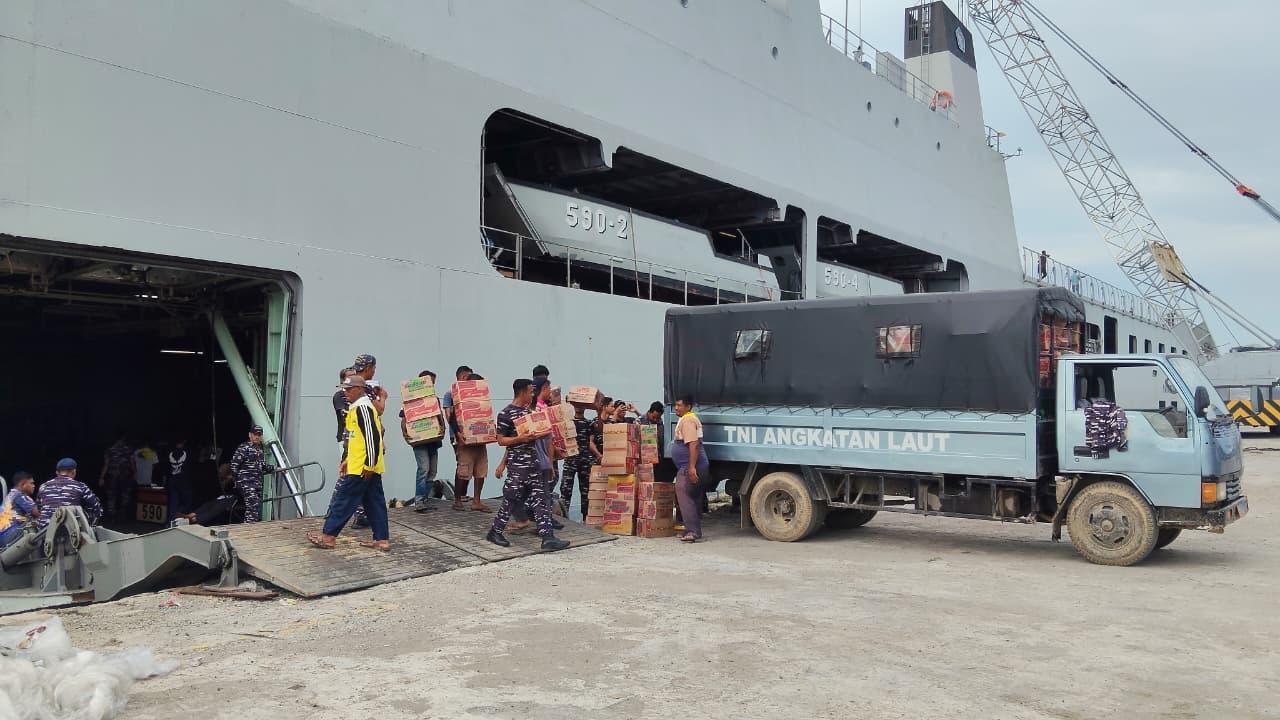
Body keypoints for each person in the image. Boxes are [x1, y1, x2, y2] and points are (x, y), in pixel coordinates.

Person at [308, 375, 391, 550]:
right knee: (374, 502)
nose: (345, 393)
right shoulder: (359, 407)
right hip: (364, 465)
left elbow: (372, 438)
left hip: (362, 467)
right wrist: (347, 459)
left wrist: (368, 464)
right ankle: (382, 540)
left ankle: (328, 537)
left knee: (343, 500)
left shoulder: (363, 408)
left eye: (348, 389)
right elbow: (356, 439)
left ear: (359, 389)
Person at [485, 379, 568, 551]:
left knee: (541, 500)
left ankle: (548, 538)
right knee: (511, 499)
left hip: (534, 464)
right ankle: (495, 532)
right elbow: (501, 440)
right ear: (522, 392)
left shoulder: (529, 412)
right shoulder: (505, 414)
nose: (532, 395)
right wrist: (520, 439)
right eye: (530, 392)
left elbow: (543, 436)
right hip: (518, 466)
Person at [401, 369, 445, 508]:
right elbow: (404, 419)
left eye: (433, 383)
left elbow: (439, 417)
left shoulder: (434, 399)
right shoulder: (411, 400)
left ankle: (425, 498)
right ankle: (419, 500)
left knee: (432, 471)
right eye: (430, 383)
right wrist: (407, 435)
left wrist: (442, 429)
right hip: (419, 442)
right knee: (423, 469)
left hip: (433, 441)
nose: (432, 386)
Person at [449, 369, 492, 512]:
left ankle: (477, 501)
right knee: (463, 470)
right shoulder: (460, 398)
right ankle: (457, 500)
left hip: (480, 442)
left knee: (481, 471)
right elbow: (452, 418)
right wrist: (457, 433)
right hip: (465, 442)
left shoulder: (483, 400)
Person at [671, 395, 710, 542]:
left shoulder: (687, 420)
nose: (676, 408)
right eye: (675, 405)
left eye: (679, 405)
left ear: (688, 407)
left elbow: (693, 444)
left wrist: (691, 468)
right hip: (692, 465)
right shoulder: (688, 418)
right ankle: (693, 530)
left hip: (689, 466)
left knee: (684, 496)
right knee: (693, 497)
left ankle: (692, 531)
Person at [37, 458, 104, 528]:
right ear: (74, 472)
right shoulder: (80, 486)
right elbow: (96, 509)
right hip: (70, 530)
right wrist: (88, 524)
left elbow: (39, 508)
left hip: (44, 530)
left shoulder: (44, 486)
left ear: (57, 472)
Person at [228, 425, 275, 523]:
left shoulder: (260, 450)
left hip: (256, 484)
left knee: (254, 507)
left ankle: (249, 526)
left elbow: (262, 466)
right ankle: (249, 526)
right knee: (253, 505)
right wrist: (238, 481)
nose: (257, 437)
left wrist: (275, 468)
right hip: (246, 483)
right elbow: (234, 465)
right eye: (255, 434)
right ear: (250, 435)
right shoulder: (244, 448)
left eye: (259, 435)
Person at [559, 402, 596, 519]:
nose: (579, 407)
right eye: (577, 405)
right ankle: (564, 518)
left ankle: (586, 518)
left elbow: (591, 441)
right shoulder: (568, 422)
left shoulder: (588, 423)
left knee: (586, 491)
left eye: (581, 405)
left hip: (585, 461)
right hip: (570, 460)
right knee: (565, 490)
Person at [173, 468, 238, 526]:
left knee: (218, 507)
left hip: (235, 497)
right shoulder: (226, 479)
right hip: (226, 495)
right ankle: (190, 515)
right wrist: (225, 480)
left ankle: (193, 519)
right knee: (208, 504)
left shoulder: (238, 477)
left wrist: (230, 478)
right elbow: (225, 487)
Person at [99, 434, 135, 521]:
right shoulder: (128, 450)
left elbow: (106, 464)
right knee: (125, 496)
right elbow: (132, 463)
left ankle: (112, 516)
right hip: (125, 475)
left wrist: (101, 477)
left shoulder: (110, 450)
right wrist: (135, 474)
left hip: (113, 476)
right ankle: (123, 515)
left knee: (112, 496)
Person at [0, 472, 39, 547]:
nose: (34, 486)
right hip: (11, 535)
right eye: (31, 483)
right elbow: (38, 513)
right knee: (41, 522)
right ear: (23, 484)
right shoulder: (20, 495)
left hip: (3, 538)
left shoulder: (10, 496)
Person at [164, 438, 193, 523]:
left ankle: (171, 521)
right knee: (187, 502)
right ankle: (179, 519)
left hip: (172, 481)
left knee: (173, 503)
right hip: (184, 481)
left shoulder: (169, 451)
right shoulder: (188, 451)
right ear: (183, 442)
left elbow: (165, 466)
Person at [332, 367, 357, 451]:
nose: (353, 378)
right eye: (350, 376)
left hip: (359, 437)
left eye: (355, 376)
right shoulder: (339, 396)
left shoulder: (360, 394)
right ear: (343, 380)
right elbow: (344, 417)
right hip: (346, 437)